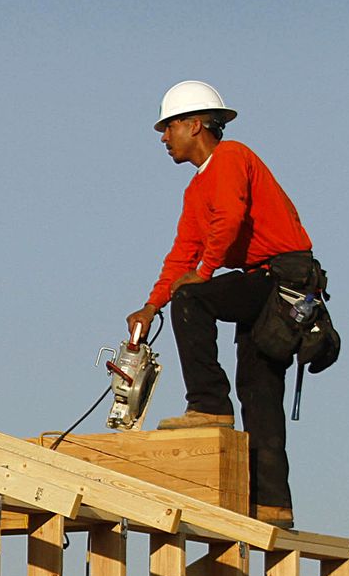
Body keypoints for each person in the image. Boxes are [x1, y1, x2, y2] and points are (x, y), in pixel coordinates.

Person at [125, 80, 313, 528]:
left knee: (192, 298)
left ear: (194, 125)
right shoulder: (195, 190)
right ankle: (272, 506)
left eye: (169, 127)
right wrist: (151, 308)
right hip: (264, 282)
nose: (163, 137)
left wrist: (203, 275)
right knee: (257, 389)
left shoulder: (230, 158)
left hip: (283, 278)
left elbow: (229, 218)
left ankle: (208, 404)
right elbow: (182, 254)